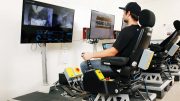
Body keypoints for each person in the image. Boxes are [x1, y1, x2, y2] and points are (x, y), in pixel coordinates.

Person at [80, 2, 142, 75]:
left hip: (117, 67)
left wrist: (91, 55)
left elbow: (112, 52)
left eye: (124, 12)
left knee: (84, 65)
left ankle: (94, 86)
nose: (123, 14)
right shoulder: (140, 30)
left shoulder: (127, 31)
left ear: (128, 13)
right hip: (130, 67)